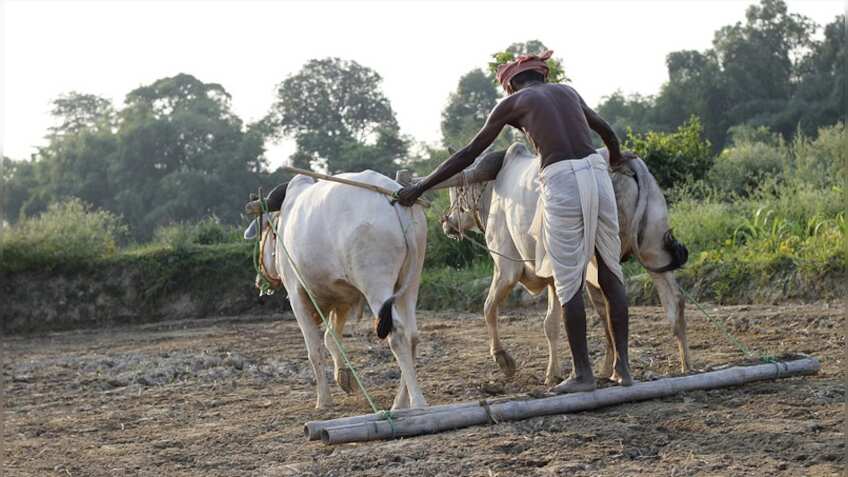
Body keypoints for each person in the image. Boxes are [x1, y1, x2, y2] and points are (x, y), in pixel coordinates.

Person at [395, 50, 633, 393]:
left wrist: (419, 187)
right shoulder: (567, 92)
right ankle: (623, 369)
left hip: (560, 178)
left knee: (568, 282)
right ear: (543, 76)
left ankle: (582, 374)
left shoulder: (511, 105)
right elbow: (607, 131)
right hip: (597, 172)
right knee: (609, 271)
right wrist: (615, 157)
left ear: (510, 86)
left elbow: (468, 155)